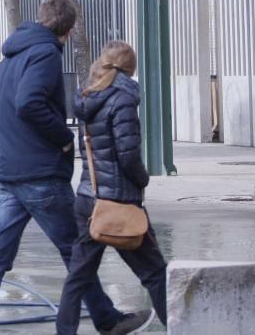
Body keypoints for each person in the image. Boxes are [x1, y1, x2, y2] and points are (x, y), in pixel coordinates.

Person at [0, 0, 147, 335]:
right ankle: (107, 319)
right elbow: (29, 103)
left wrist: (15, 140)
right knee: (76, 251)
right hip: (40, 175)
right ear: (70, 29)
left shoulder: (11, 56)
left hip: (8, 172)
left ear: (41, 18)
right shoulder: (47, 54)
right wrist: (62, 137)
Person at [55, 41, 166, 334]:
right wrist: (142, 179)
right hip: (119, 202)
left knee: (79, 275)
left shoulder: (87, 97)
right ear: (130, 68)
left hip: (89, 199)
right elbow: (127, 154)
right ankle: (183, 326)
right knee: (154, 272)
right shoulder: (123, 99)